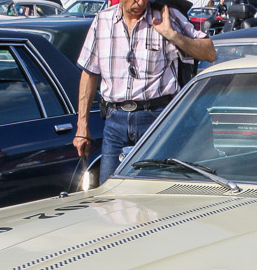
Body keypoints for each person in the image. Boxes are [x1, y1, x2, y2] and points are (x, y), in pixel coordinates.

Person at [73, 0, 215, 183]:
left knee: (156, 194)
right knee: (109, 194)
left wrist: (172, 35)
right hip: (115, 121)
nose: (139, 2)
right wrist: (82, 126)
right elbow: (89, 73)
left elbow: (210, 53)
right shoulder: (102, 21)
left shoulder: (166, 16)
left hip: (156, 120)